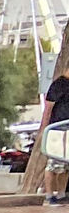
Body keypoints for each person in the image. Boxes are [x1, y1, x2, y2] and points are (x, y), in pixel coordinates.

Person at [43, 68, 69, 205]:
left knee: (66, 164)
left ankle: (61, 193)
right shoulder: (59, 84)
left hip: (68, 130)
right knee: (53, 163)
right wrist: (44, 128)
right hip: (57, 130)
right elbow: (48, 108)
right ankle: (49, 194)